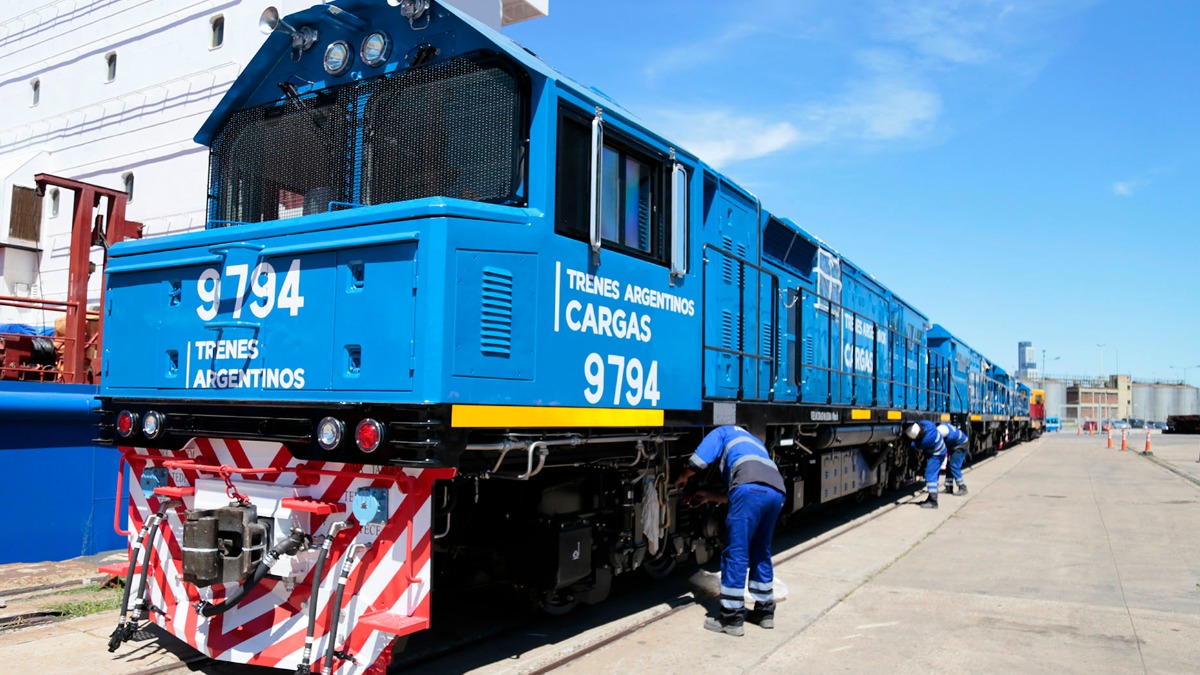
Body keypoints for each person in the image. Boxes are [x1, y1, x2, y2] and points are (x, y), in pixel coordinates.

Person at [674, 425, 786, 637]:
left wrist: (683, 476)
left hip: (747, 489)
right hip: (777, 491)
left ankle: (731, 619)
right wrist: (708, 496)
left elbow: (699, 460)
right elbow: (748, 492)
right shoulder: (753, 440)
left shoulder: (722, 432)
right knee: (761, 551)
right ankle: (764, 613)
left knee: (736, 552)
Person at [905, 420, 945, 509]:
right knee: (934, 476)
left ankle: (933, 502)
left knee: (930, 475)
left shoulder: (924, 442)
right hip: (941, 451)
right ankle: (930, 498)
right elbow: (921, 421)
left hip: (937, 455)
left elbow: (913, 444)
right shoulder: (929, 426)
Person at [939, 422, 969, 495]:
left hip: (961, 446)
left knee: (954, 466)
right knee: (949, 466)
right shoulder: (943, 427)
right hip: (956, 445)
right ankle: (949, 487)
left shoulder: (951, 437)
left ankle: (962, 487)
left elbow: (943, 448)